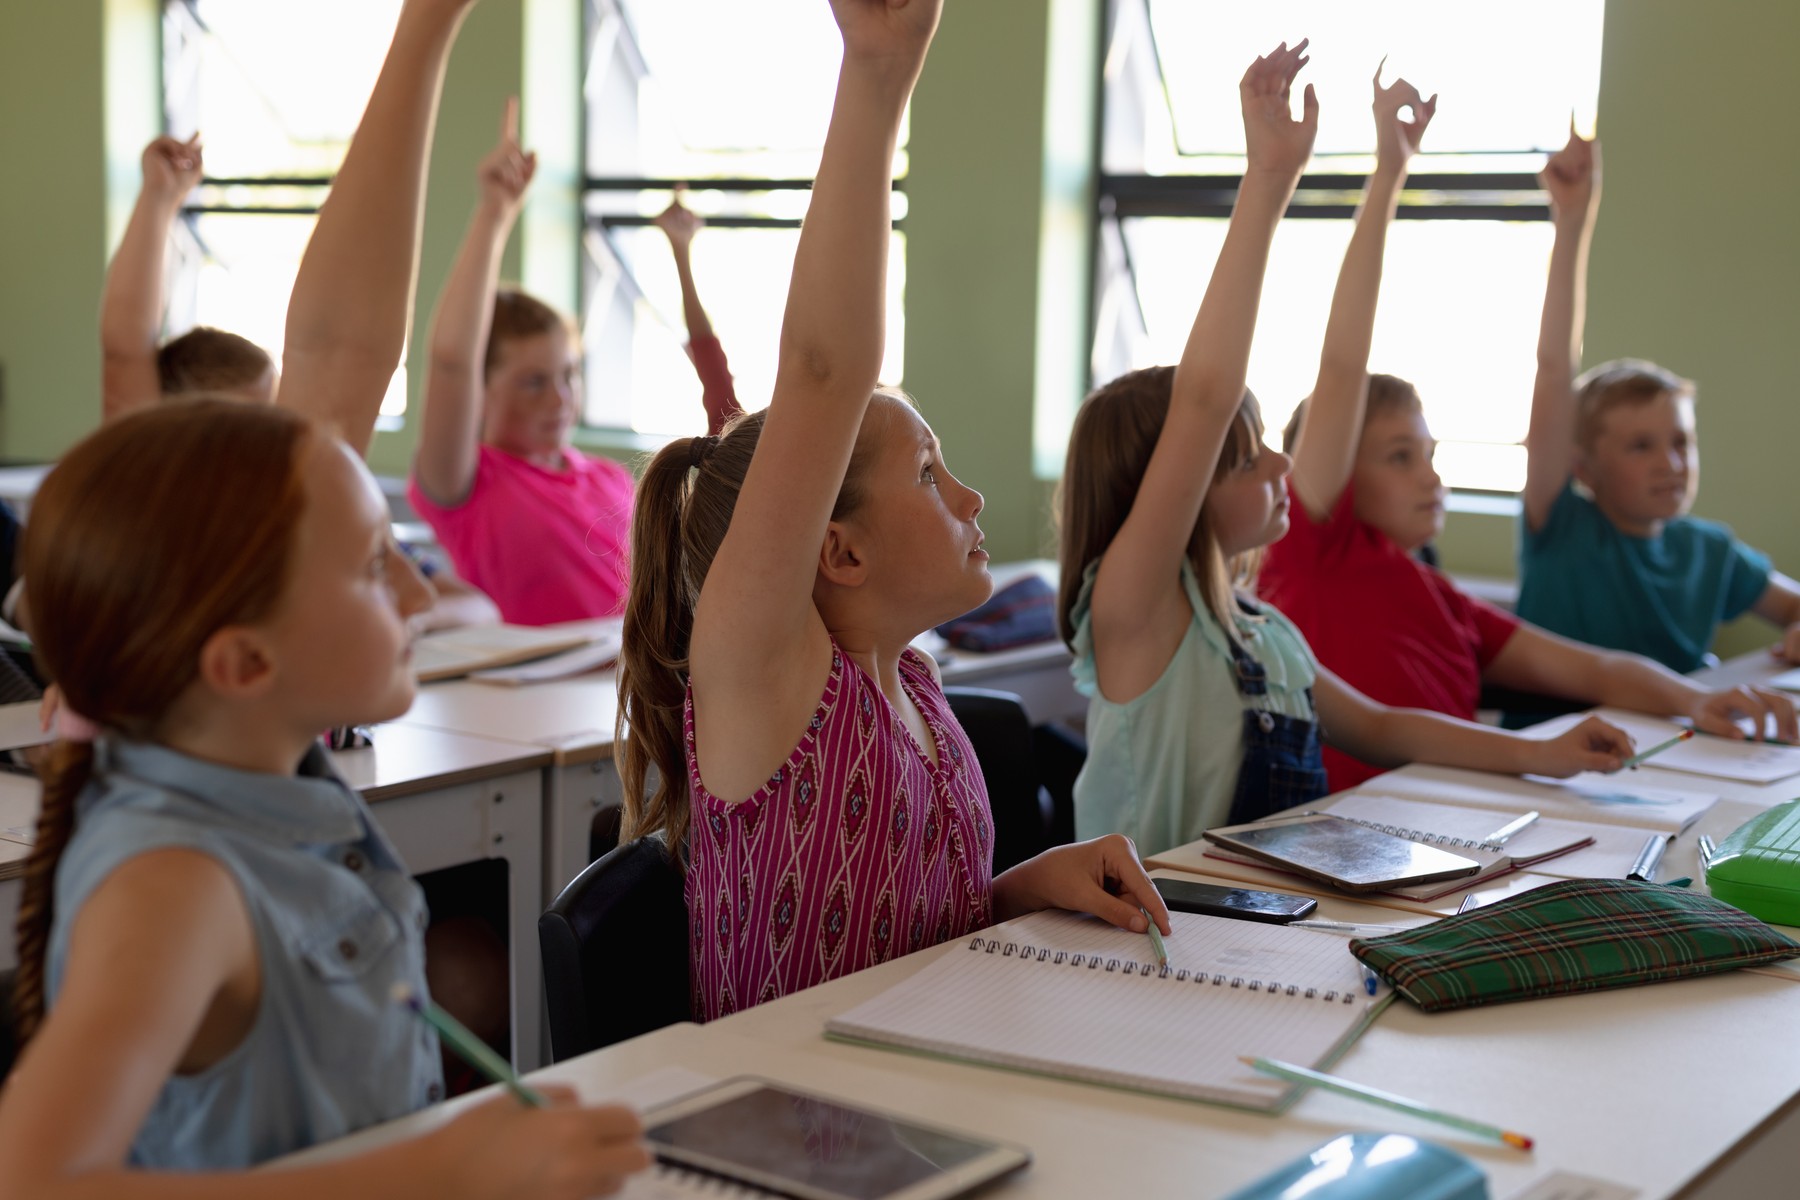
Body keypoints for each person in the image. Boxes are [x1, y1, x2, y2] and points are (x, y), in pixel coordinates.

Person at [0, 3, 649, 1193]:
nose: (406, 589)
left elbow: (346, 352)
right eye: (367, 567)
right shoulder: (175, 882)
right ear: (242, 661)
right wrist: (442, 1172)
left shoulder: (260, 786)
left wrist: (427, 31)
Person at [617, 0, 1168, 1023]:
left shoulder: (912, 685)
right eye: (928, 473)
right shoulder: (765, 678)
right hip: (792, 1135)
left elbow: (893, 934)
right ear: (838, 552)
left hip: (918, 1097)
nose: (971, 496)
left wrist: (1019, 884)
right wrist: (876, 78)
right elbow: (824, 371)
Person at [1058, 58, 1638, 857]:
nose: (1280, 467)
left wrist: (1543, 756)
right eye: (1245, 457)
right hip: (1141, 936)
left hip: (1247, 918)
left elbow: (1383, 727)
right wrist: (1269, 182)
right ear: (1179, 487)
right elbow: (1206, 397)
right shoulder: (1135, 611)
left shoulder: (1263, 635)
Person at [1259, 130, 1798, 792]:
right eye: (1401, 458)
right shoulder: (1314, 553)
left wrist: (1693, 700)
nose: (1432, 477)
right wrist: (1389, 176)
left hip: (1441, 836)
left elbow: (1600, 671)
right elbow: (1341, 368)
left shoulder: (1446, 602)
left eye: (1430, 455)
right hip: (1347, 839)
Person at [1515, 128, 1800, 672]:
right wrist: (1573, 220)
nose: (1671, 462)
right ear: (1585, 468)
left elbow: (1791, 606)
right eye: (1640, 446)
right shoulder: (1561, 528)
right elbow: (1554, 372)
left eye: (1681, 442)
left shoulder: (1709, 551)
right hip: (1559, 745)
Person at [408, 98, 633, 626]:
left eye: (568, 375)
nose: (560, 399)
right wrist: (495, 214)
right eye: (533, 382)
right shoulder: (468, 481)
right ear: (481, 392)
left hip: (627, 694)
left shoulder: (611, 479)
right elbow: (451, 361)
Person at [99, 134, 277, 417]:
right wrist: (157, 195)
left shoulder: (282, 456)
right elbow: (126, 347)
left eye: (271, 413)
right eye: (246, 420)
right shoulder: (152, 454)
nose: (265, 430)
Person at [654, 188, 745, 436]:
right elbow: (712, 366)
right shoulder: (733, 442)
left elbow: (711, 365)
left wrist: (680, 249)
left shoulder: (732, 442)